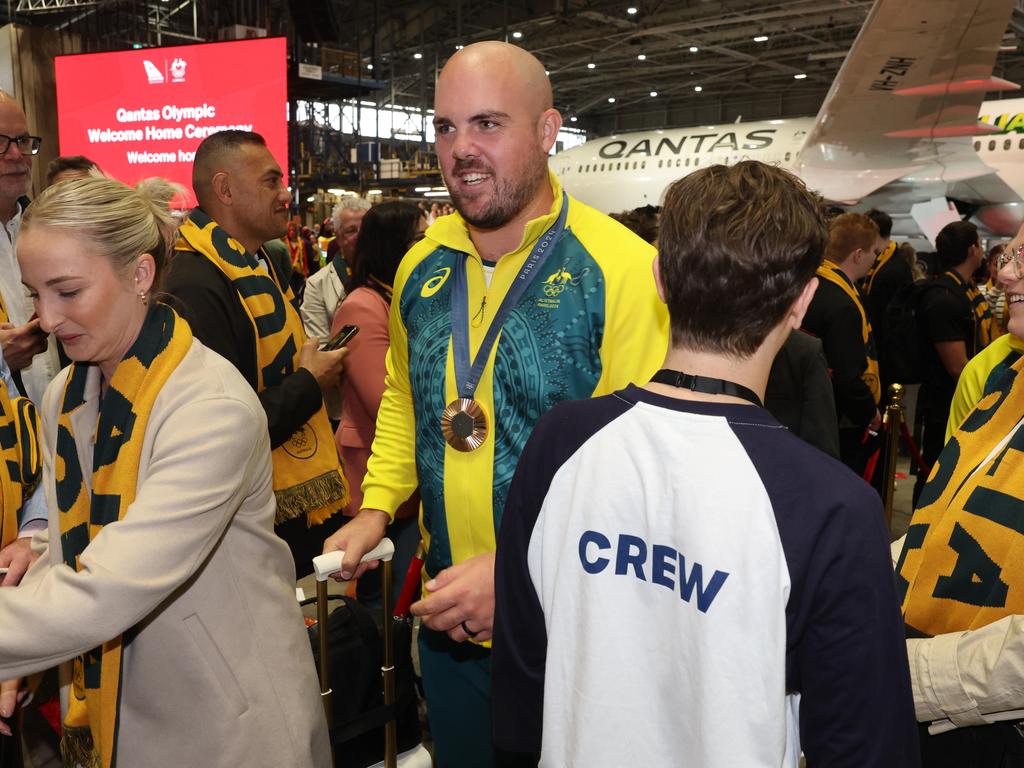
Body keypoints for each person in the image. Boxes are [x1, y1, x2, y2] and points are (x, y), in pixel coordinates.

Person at [492, 160, 919, 767]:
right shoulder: (832, 505)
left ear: (660, 278)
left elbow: (520, 684)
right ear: (802, 303)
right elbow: (864, 746)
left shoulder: (560, 444)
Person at [323, 41, 668, 767]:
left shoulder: (622, 268)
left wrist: (517, 570)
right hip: (450, 624)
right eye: (445, 128)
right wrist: (377, 507)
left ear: (547, 132)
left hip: (574, 632)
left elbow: (643, 467)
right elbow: (407, 407)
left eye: (487, 124)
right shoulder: (421, 265)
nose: (461, 150)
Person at [0, 175, 330, 767]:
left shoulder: (211, 408)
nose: (46, 319)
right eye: (34, 294)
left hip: (229, 726)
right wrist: (39, 555)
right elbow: (86, 536)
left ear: (140, 275)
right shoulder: (66, 396)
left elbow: (106, 584)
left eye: (67, 291)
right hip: (121, 711)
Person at [163, 130, 349, 575]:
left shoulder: (257, 263)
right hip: (245, 522)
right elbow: (227, 427)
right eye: (271, 182)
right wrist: (310, 382)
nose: (285, 195)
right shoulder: (195, 280)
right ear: (225, 189)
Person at [894, 229, 1024, 766]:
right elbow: (943, 521)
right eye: (1010, 255)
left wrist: (898, 671)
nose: (1006, 273)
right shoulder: (1004, 379)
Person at [331, 202, 425, 602]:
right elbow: (382, 399)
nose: (427, 251)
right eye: (418, 240)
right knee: (384, 600)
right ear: (395, 247)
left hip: (405, 481)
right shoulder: (362, 306)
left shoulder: (399, 298)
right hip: (376, 475)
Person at [913, 220, 992, 503]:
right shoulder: (944, 297)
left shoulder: (964, 290)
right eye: (980, 245)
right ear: (972, 249)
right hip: (946, 403)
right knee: (936, 471)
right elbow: (957, 366)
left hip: (955, 398)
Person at [801, 212, 882, 477]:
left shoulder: (811, 283)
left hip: (805, 406)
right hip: (838, 418)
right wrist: (868, 410)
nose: (875, 258)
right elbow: (846, 372)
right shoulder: (843, 303)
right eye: (874, 252)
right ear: (858, 255)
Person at [0, 92, 55, 406]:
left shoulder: (50, 229)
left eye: (22, 140)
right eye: (0, 142)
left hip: (63, 433)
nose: (17, 155)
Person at [764, 328, 840, 458]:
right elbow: (821, 439)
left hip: (785, 463)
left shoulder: (803, 349)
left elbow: (821, 437)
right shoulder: (803, 348)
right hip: (786, 462)